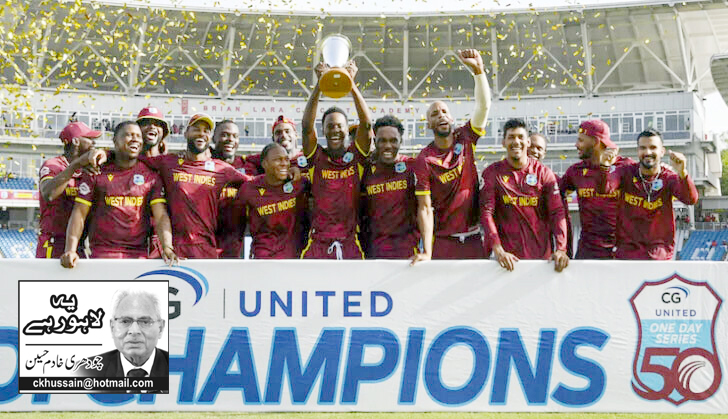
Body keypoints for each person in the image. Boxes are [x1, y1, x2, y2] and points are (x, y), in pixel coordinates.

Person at [94, 113, 251, 258]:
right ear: (186, 133)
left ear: (210, 137)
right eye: (196, 129)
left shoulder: (221, 169)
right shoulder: (168, 162)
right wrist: (106, 154)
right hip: (173, 248)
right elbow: (130, 157)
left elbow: (253, 183)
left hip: (205, 247)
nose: (201, 134)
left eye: (206, 131)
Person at [410, 49, 491, 264]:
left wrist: (479, 72)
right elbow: (425, 208)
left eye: (445, 111)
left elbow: (483, 106)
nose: (441, 116)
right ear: (429, 125)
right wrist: (427, 252)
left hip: (474, 239)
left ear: (452, 118)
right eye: (435, 114)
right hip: (444, 242)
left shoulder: (466, 138)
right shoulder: (424, 160)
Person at [60, 122, 177, 267]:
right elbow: (79, 212)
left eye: (138, 136)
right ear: (115, 141)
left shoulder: (151, 176)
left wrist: (167, 247)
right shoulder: (96, 172)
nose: (135, 139)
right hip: (103, 254)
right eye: (129, 135)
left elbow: (160, 216)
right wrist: (70, 250)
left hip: (138, 256)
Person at [299, 59, 374, 259]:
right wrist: (319, 85)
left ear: (347, 130)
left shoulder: (356, 157)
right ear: (323, 130)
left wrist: (351, 83)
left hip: (350, 243)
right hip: (318, 243)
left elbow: (367, 125)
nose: (335, 130)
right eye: (330, 126)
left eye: (339, 126)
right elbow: (306, 127)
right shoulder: (316, 158)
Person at [480, 118, 569, 272]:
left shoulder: (544, 174)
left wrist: (561, 249)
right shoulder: (492, 173)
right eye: (511, 137)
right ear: (503, 143)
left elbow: (557, 212)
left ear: (528, 142)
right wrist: (498, 249)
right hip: (506, 262)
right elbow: (487, 213)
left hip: (541, 262)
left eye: (520, 137)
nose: (516, 142)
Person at [598, 128, 698, 260]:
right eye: (643, 148)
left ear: (662, 151)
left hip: (658, 255)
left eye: (653, 147)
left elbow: (691, 199)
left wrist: (682, 172)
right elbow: (605, 190)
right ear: (638, 151)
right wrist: (604, 167)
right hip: (627, 254)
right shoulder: (625, 172)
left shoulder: (669, 178)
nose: (648, 152)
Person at [560, 120, 634, 259]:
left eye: (581, 140)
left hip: (620, 252)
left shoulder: (626, 167)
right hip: (588, 252)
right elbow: (552, 194)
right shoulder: (575, 171)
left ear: (596, 142)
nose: (576, 145)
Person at [37, 122, 102, 259]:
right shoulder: (54, 165)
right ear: (76, 141)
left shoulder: (90, 169)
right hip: (54, 244)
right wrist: (74, 166)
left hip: (79, 245)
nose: (94, 143)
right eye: (89, 138)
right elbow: (49, 194)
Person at [235, 143, 309, 258]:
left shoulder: (300, 183)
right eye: (278, 160)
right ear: (265, 164)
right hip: (263, 258)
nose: (284, 163)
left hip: (294, 259)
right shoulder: (249, 189)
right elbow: (236, 226)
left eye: (286, 159)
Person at [360, 115, 419, 258]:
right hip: (375, 251)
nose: (388, 146)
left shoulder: (413, 167)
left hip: (408, 251)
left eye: (393, 140)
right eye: (382, 140)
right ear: (375, 141)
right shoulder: (366, 170)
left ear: (401, 141)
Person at [83, 289, 168, 381]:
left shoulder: (177, 368)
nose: (134, 331)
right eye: (125, 321)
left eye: (145, 322)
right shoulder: (85, 373)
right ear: (112, 327)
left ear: (160, 328)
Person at [211, 120, 247, 258]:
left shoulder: (248, 165)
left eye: (235, 136)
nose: (230, 139)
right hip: (205, 244)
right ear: (214, 138)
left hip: (235, 247)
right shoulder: (203, 164)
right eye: (224, 135)